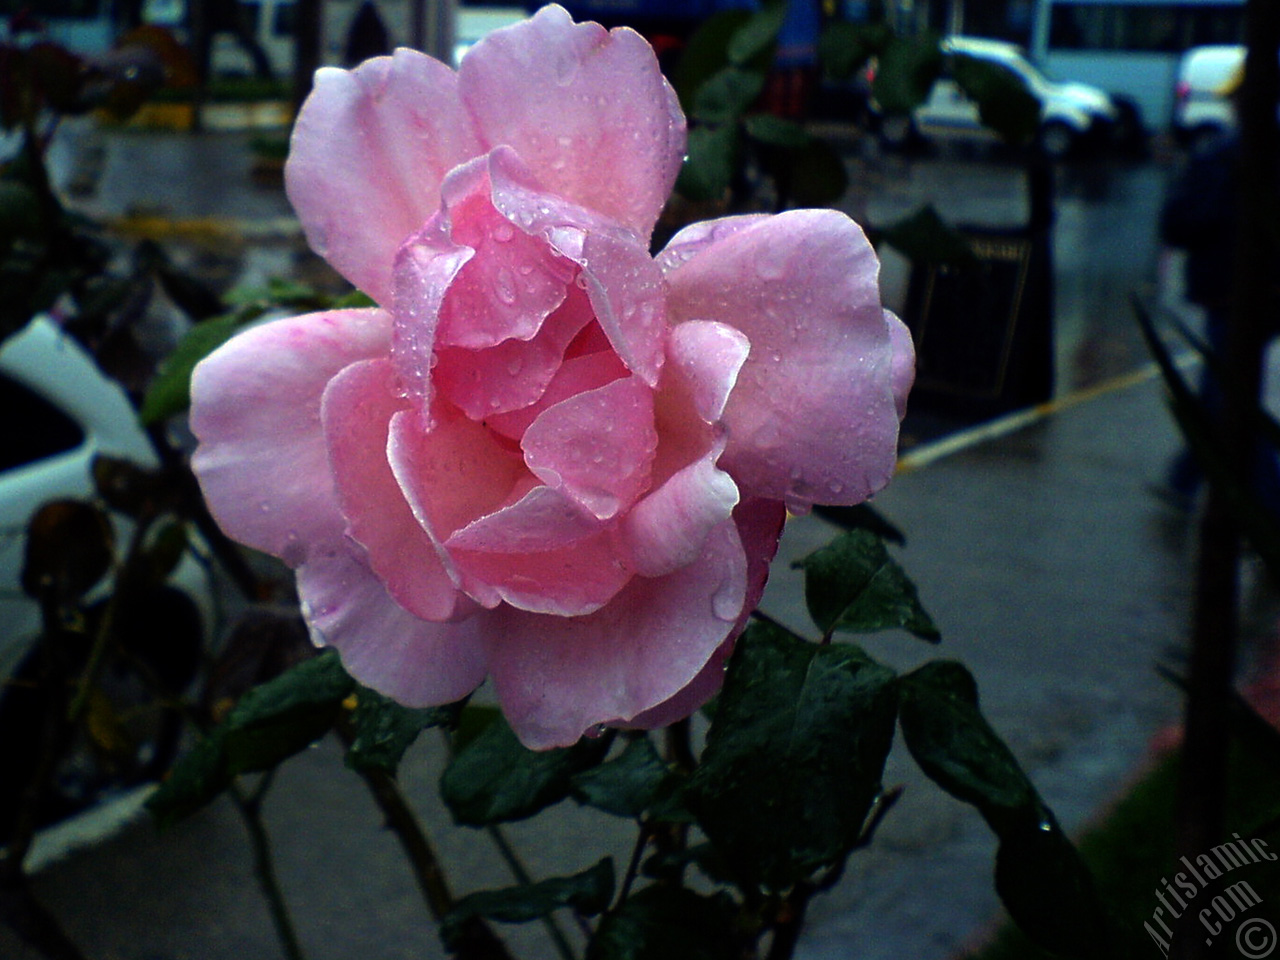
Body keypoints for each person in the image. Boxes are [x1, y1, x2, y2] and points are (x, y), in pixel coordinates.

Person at [1158, 64, 1280, 516]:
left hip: (1231, 295)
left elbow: (1181, 223)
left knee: (1227, 402)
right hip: (1264, 298)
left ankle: (1269, 507)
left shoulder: (1225, 155)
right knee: (1220, 394)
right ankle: (1183, 479)